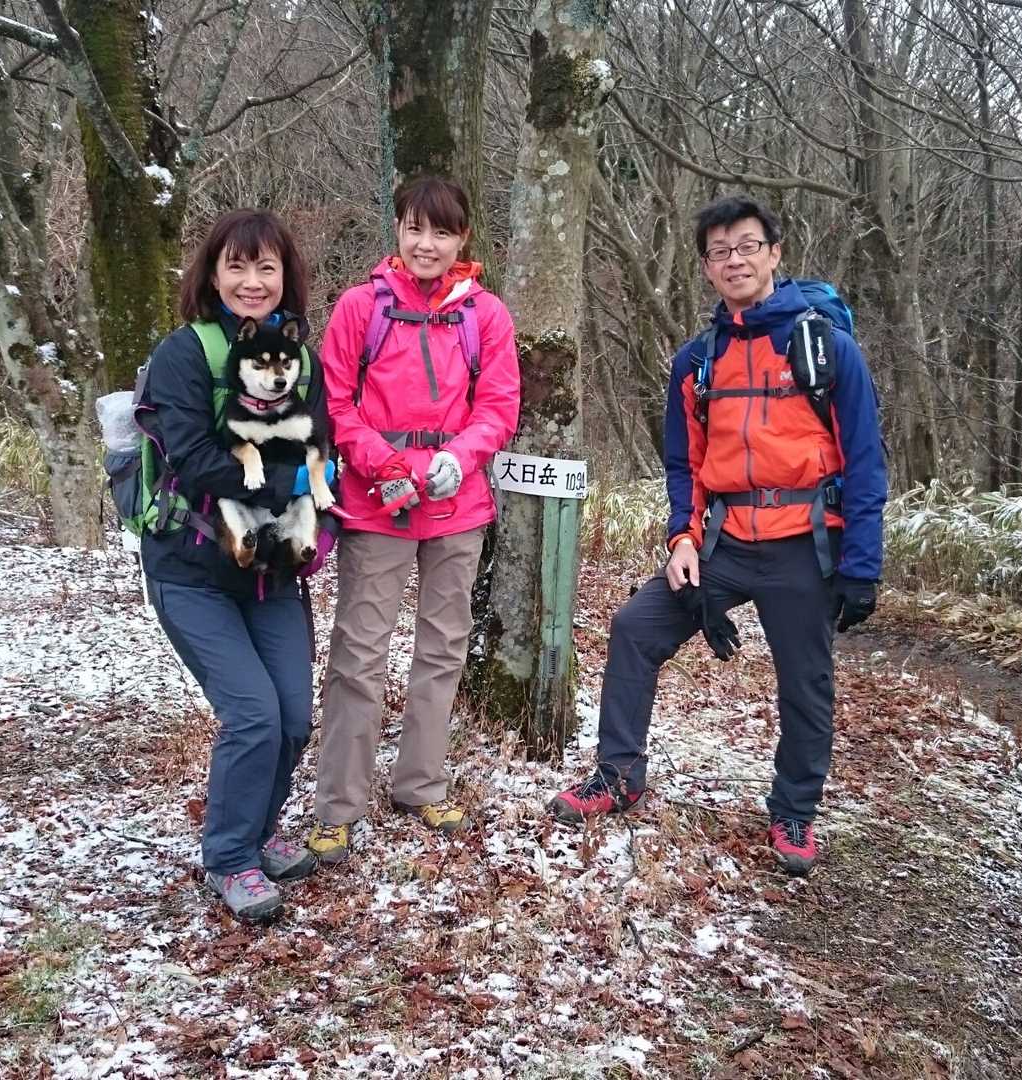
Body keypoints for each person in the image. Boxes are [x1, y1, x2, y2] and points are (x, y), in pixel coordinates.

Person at [544, 194, 888, 876]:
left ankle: (794, 811)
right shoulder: (697, 362)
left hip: (804, 542)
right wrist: (682, 539)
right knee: (636, 627)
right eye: (720, 251)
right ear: (706, 266)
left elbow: (866, 461)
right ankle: (619, 775)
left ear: (774, 253)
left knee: (806, 681)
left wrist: (861, 566)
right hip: (725, 541)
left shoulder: (827, 349)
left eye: (748, 246)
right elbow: (685, 465)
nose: (735, 260)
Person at [305, 177, 520, 863]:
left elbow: (499, 405)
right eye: (414, 228)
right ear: (397, 229)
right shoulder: (359, 308)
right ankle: (338, 806)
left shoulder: (486, 315)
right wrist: (385, 465)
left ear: (463, 239)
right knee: (359, 653)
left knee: (443, 648)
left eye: (441, 232)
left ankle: (420, 784)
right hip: (376, 503)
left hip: (458, 505)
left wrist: (460, 456)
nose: (427, 244)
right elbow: (336, 405)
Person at [134, 210, 330, 921]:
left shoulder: (302, 359)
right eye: (237, 266)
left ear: (286, 277)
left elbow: (321, 443)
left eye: (266, 267)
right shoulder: (183, 355)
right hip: (191, 568)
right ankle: (229, 858)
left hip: (269, 570)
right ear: (212, 275)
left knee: (293, 717)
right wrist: (286, 483)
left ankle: (257, 830)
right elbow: (193, 458)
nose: (252, 281)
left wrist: (317, 503)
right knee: (252, 713)